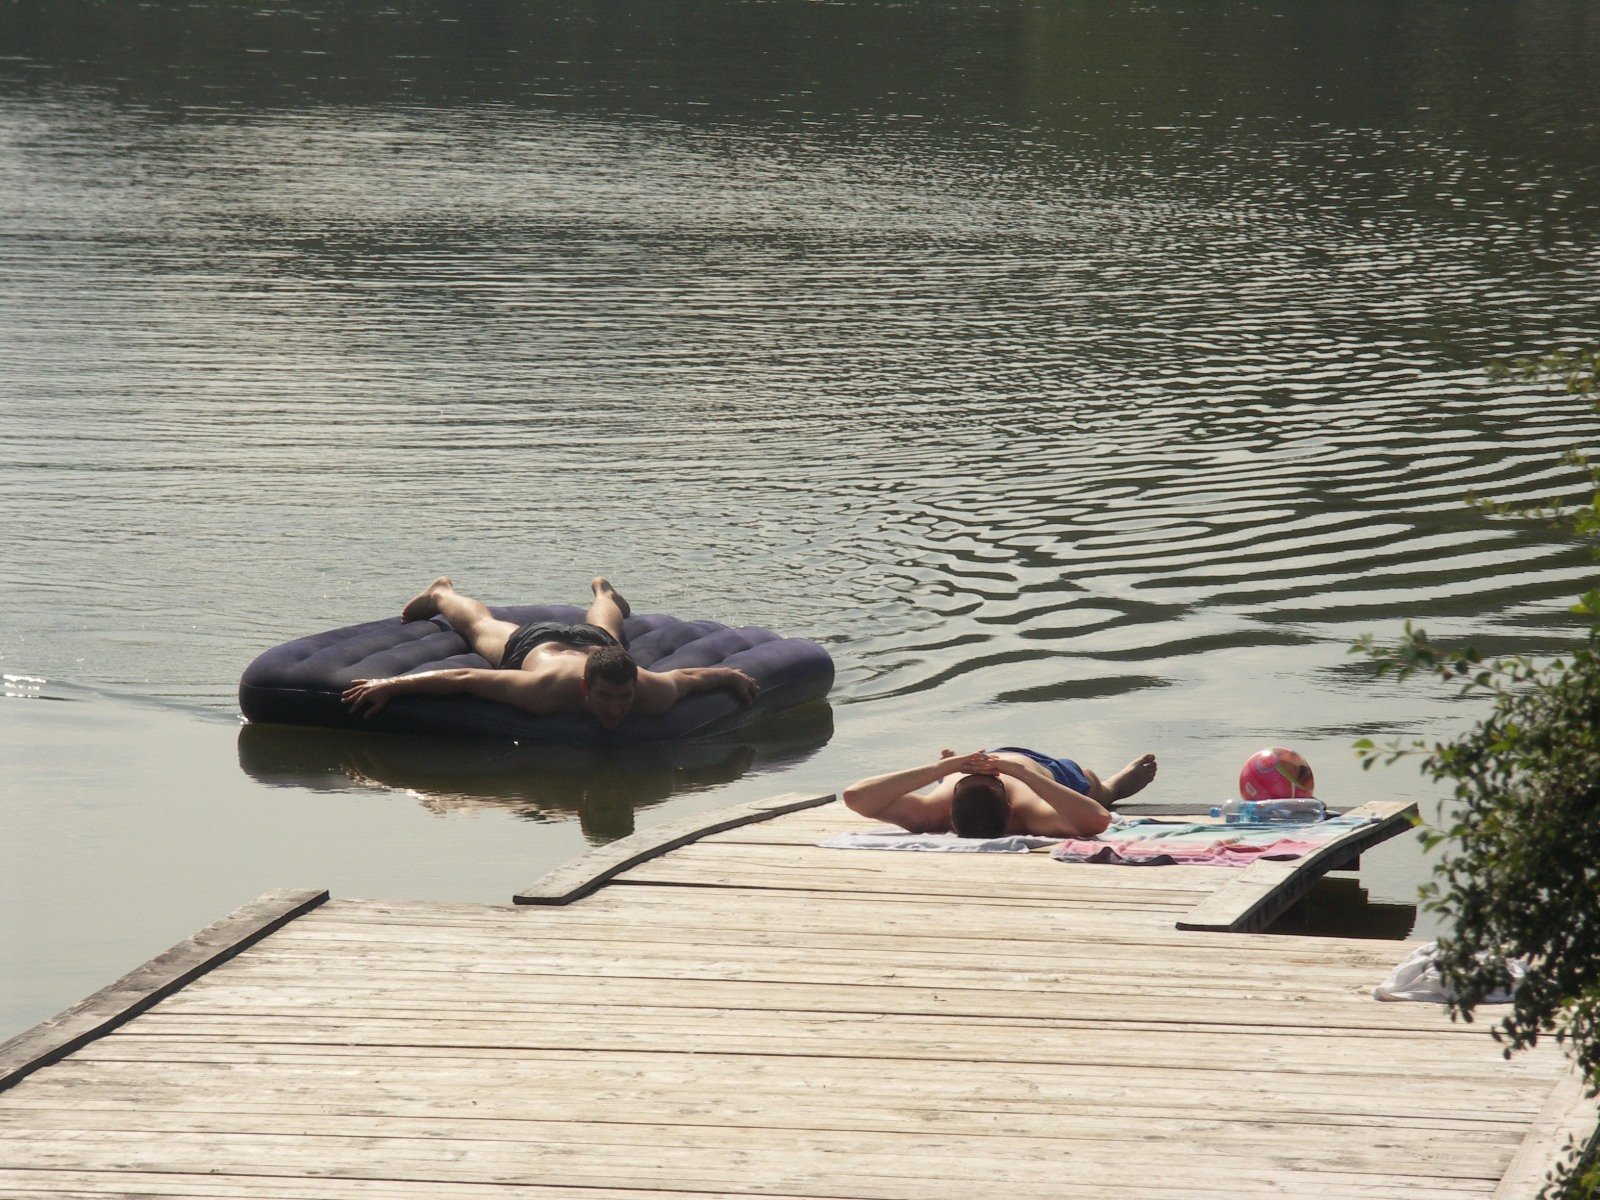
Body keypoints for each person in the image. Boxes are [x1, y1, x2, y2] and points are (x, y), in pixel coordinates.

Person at [341, 576, 759, 729]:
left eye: (622, 697)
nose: (616, 709)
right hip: (539, 645)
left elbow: (688, 679)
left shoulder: (650, 691)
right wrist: (392, 684)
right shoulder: (544, 688)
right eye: (607, 698)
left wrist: (730, 676)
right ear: (585, 687)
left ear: (634, 685)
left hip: (597, 646)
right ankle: (442, 592)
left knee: (606, 632)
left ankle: (604, 589)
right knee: (480, 628)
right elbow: (465, 678)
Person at [841, 746, 1158, 839]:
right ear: (1011, 806)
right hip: (1045, 773)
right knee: (1092, 787)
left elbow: (856, 796)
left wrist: (946, 769)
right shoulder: (1030, 811)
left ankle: (1111, 784)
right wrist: (1019, 773)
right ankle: (1114, 785)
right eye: (993, 778)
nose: (990, 772)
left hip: (1000, 758)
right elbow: (1096, 819)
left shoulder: (928, 814)